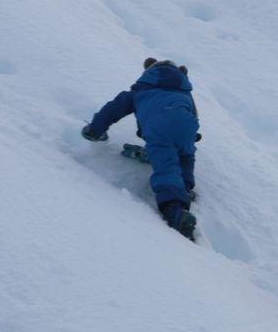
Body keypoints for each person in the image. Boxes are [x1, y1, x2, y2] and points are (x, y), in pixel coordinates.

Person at [82, 58, 200, 240]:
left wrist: (95, 130)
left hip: (158, 129)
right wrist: (191, 135)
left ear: (149, 72)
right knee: (185, 155)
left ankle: (175, 210)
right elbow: (193, 114)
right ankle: (185, 188)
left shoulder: (141, 90)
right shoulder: (184, 92)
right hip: (186, 126)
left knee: (166, 165)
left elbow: (112, 109)